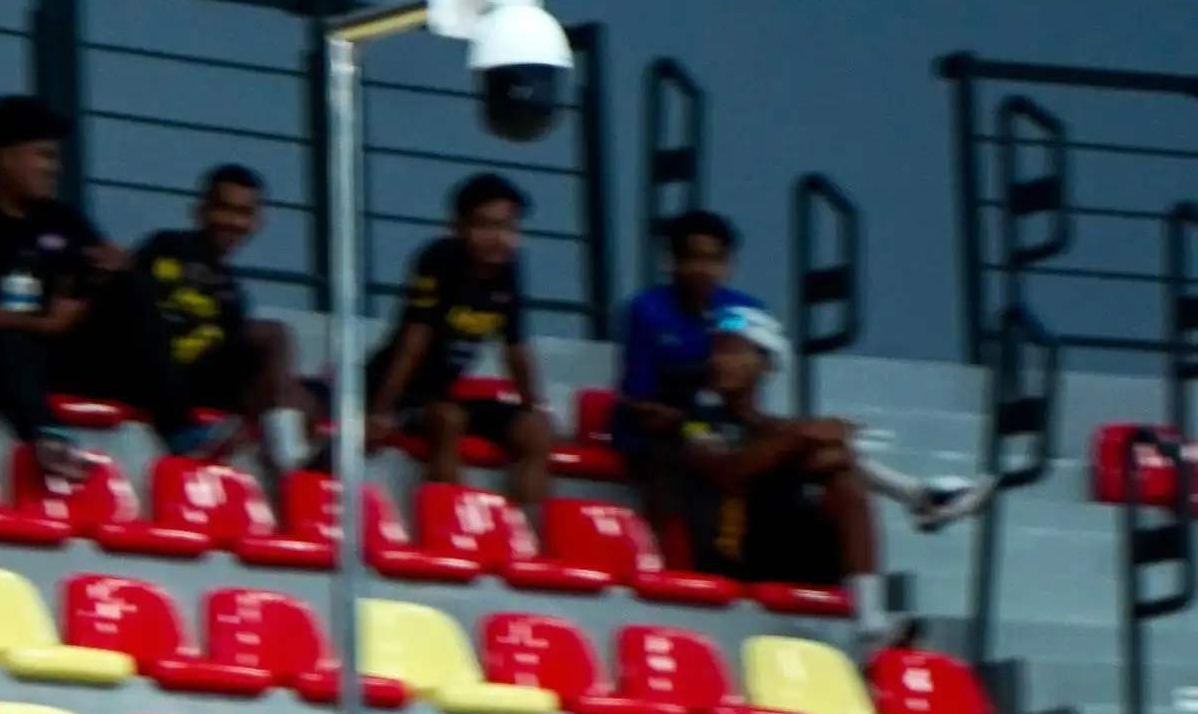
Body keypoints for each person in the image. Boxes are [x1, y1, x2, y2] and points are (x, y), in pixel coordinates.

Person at [619, 211, 986, 542]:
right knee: (799, 439)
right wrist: (699, 420)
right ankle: (918, 494)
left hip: (726, 424)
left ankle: (916, 495)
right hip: (670, 434)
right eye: (692, 258)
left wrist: (756, 425)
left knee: (828, 454)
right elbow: (641, 405)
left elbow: (750, 382)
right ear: (673, 262)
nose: (703, 269)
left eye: (714, 259)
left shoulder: (742, 309)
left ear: (728, 265)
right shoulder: (647, 310)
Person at [0, 96, 128, 480]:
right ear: (4, 158)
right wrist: (46, 325)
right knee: (5, 339)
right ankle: (47, 439)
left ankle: (180, 422)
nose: (55, 169)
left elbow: (91, 275)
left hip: (57, 360)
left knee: (132, 289)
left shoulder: (63, 219)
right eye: (44, 157)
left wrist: (106, 278)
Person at [369, 171, 552, 511]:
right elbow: (414, 338)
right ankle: (451, 529)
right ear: (458, 227)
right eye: (486, 226)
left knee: (536, 429)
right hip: (398, 392)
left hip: (444, 396)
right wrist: (380, 411)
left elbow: (515, 348)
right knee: (448, 420)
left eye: (510, 228)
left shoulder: (509, 268)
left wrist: (535, 406)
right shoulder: (438, 259)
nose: (500, 239)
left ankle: (519, 540)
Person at [665, 304, 879, 595]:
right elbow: (728, 470)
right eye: (717, 351)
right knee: (827, 461)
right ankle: (923, 499)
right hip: (733, 556)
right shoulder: (695, 421)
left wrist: (828, 445)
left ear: (765, 364)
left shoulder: (777, 429)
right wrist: (803, 434)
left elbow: (800, 451)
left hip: (786, 553)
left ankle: (870, 611)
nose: (720, 361)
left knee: (840, 474)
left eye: (734, 352)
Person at [124, 164, 315, 478]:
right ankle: (288, 461)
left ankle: (303, 485)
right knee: (275, 334)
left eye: (243, 213)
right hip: (166, 374)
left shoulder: (232, 290)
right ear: (201, 211)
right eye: (224, 209)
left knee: (302, 397)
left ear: (256, 222)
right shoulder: (165, 246)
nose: (233, 222)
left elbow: (238, 361)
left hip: (210, 382)